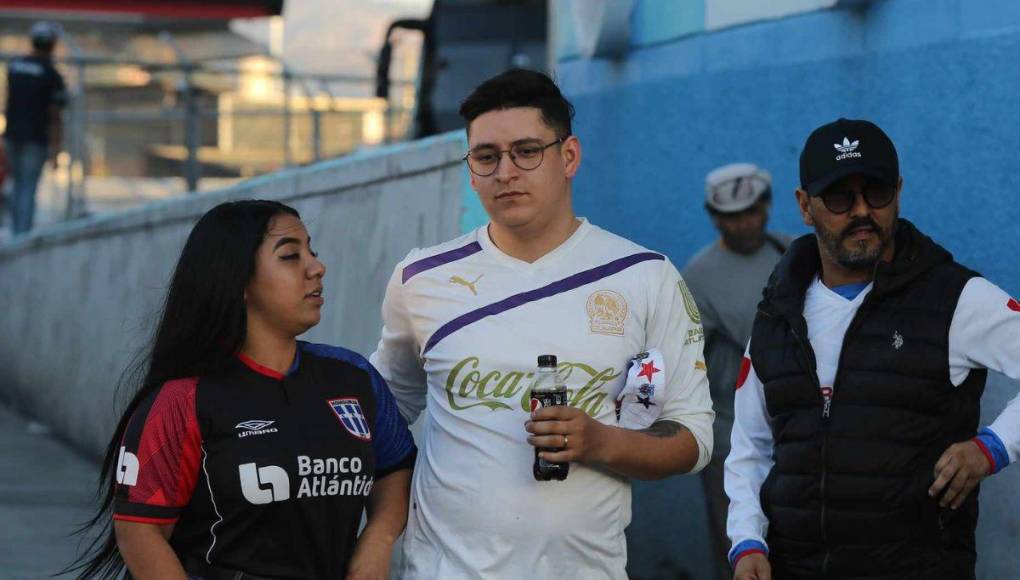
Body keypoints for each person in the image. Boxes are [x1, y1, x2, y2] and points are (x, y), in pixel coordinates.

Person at [369, 68, 715, 579]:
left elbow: (693, 437)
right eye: (486, 157)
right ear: (471, 168)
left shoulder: (645, 276)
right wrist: (377, 538)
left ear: (568, 156)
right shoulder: (421, 278)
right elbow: (382, 417)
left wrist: (600, 441)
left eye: (527, 151)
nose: (505, 171)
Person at [725, 118, 1020, 580]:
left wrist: (993, 447)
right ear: (805, 206)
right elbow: (750, 445)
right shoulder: (778, 313)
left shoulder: (953, 297)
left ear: (899, 191)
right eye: (840, 197)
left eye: (876, 193)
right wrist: (746, 542)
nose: (862, 211)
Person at [69, 200, 416, 580]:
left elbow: (395, 466)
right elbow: (140, 531)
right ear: (237, 280)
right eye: (290, 256)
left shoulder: (353, 377)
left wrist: (377, 543)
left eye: (311, 252)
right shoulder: (182, 400)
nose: (317, 267)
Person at [681, 162, 790, 580]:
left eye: (751, 212)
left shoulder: (791, 252)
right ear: (713, 217)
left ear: (767, 206)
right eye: (731, 217)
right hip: (731, 441)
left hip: (799, 435)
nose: (744, 224)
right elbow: (685, 363)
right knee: (741, 554)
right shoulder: (697, 276)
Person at [1, 21, 66, 235]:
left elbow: (9, 101)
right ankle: (21, 236)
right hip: (35, 139)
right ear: (52, 45)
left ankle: (13, 231)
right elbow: (55, 116)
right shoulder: (52, 75)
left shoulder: (16, 67)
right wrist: (56, 150)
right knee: (27, 188)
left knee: (15, 185)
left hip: (11, 136)